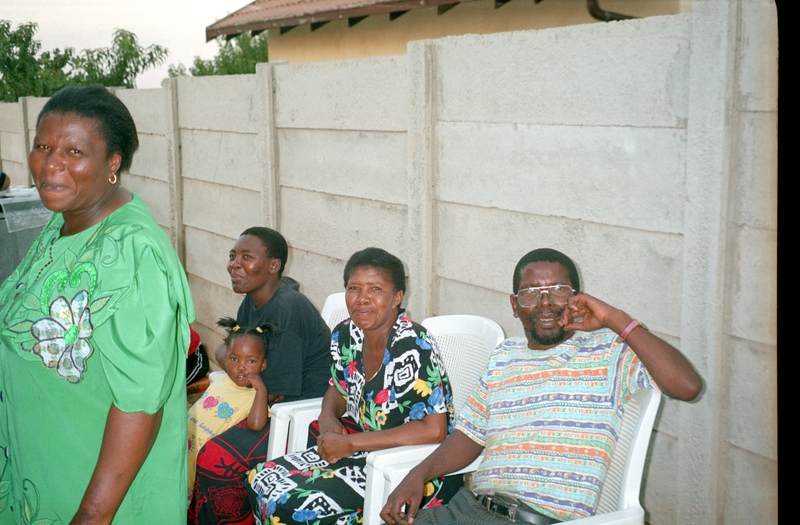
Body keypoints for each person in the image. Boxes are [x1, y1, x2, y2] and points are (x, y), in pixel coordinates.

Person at [382, 248, 703, 525]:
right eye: (531, 293)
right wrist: (418, 475)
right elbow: (470, 436)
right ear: (514, 304)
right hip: (468, 510)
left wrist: (615, 319)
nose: (546, 302)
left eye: (559, 290)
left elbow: (686, 386)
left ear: (578, 299)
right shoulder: (504, 356)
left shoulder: (609, 353)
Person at [0, 85, 195, 523]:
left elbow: (139, 403)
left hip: (94, 493)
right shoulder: (63, 224)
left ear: (113, 163)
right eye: (44, 146)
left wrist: (91, 516)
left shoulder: (132, 253)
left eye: (74, 151)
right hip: (43, 470)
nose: (51, 164)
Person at [246, 247, 461, 525]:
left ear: (397, 297)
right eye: (354, 288)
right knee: (261, 478)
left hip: (417, 467)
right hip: (366, 450)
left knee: (297, 507)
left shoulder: (412, 344)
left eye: (375, 289)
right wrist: (327, 417)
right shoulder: (346, 333)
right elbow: (337, 387)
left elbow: (434, 430)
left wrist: (349, 443)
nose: (362, 299)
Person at [190, 227, 332, 525]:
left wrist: (226, 357)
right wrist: (229, 359)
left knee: (215, 457)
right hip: (266, 403)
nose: (234, 265)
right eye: (232, 256)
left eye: (246, 257)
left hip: (304, 418)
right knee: (187, 434)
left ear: (273, 265)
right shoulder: (253, 300)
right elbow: (238, 363)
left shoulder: (288, 308)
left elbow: (266, 386)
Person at [188, 318, 274, 502]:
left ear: (263, 365)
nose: (241, 366)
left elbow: (257, 424)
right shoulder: (220, 380)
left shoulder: (254, 395)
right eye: (234, 359)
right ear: (225, 358)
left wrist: (262, 390)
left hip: (202, 456)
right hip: (183, 444)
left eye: (251, 361)